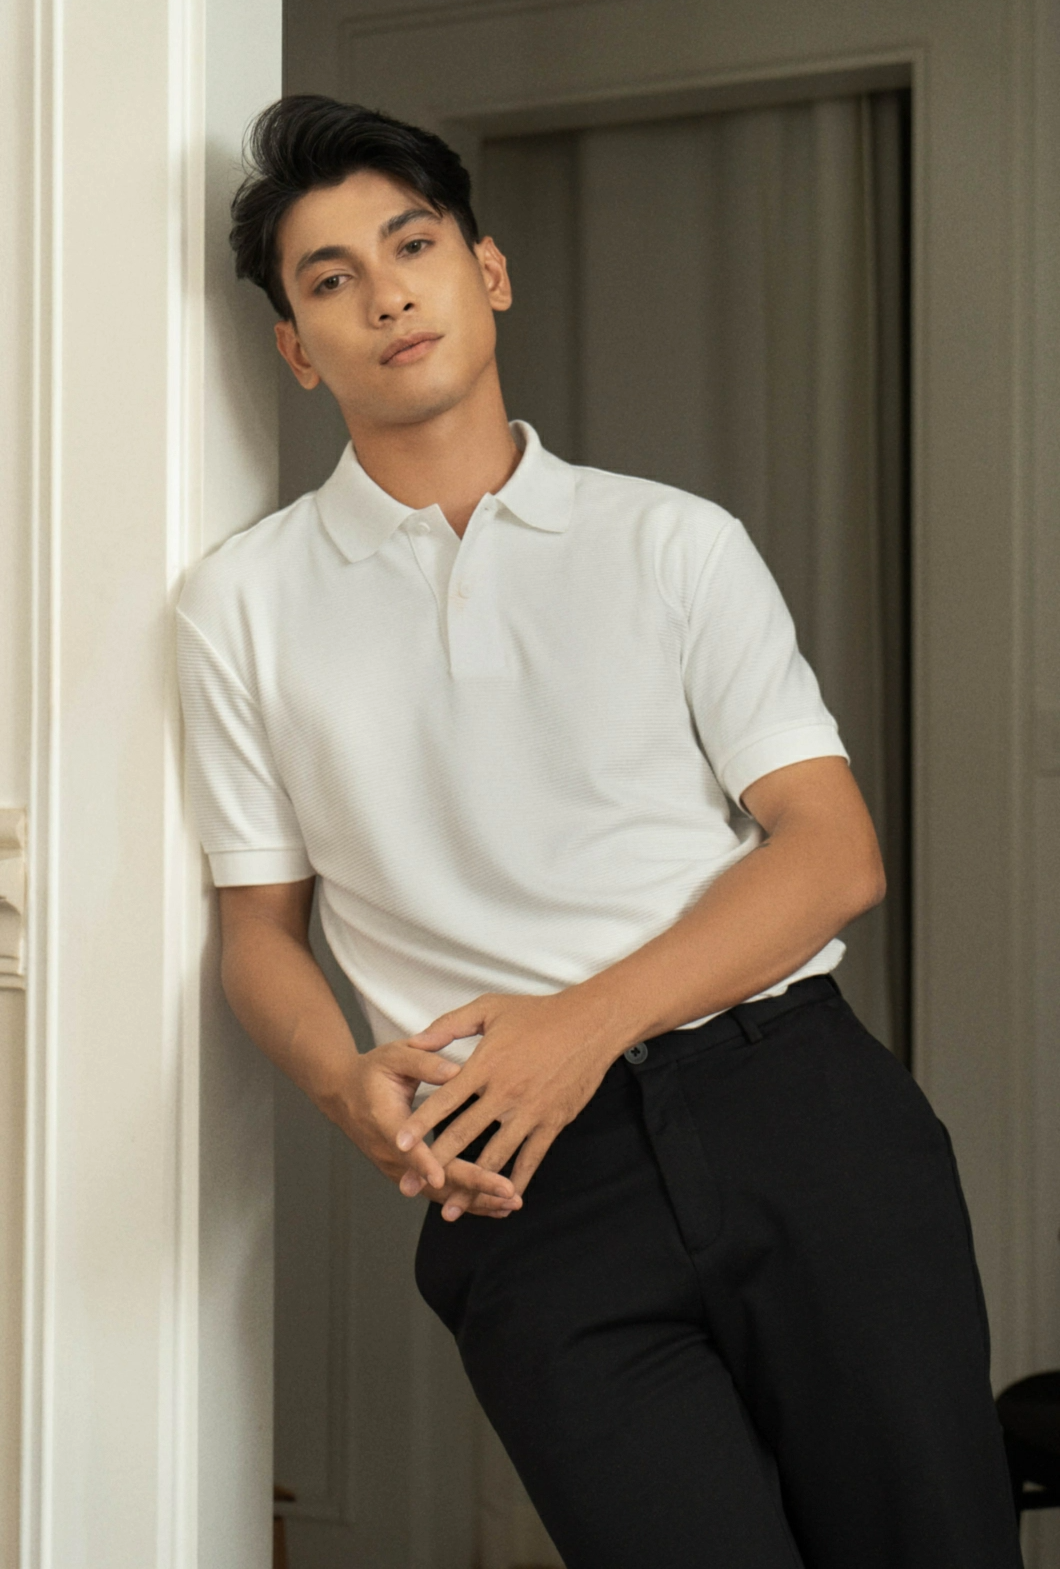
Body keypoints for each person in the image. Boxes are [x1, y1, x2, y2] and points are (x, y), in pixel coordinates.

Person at [177, 94, 1022, 1569]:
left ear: (487, 271)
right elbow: (258, 930)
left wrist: (581, 1027)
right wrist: (343, 1083)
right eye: (331, 278)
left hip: (799, 1114)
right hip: (526, 1191)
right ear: (296, 348)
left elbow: (832, 854)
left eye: (413, 246)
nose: (387, 295)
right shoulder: (240, 606)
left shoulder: (673, 541)